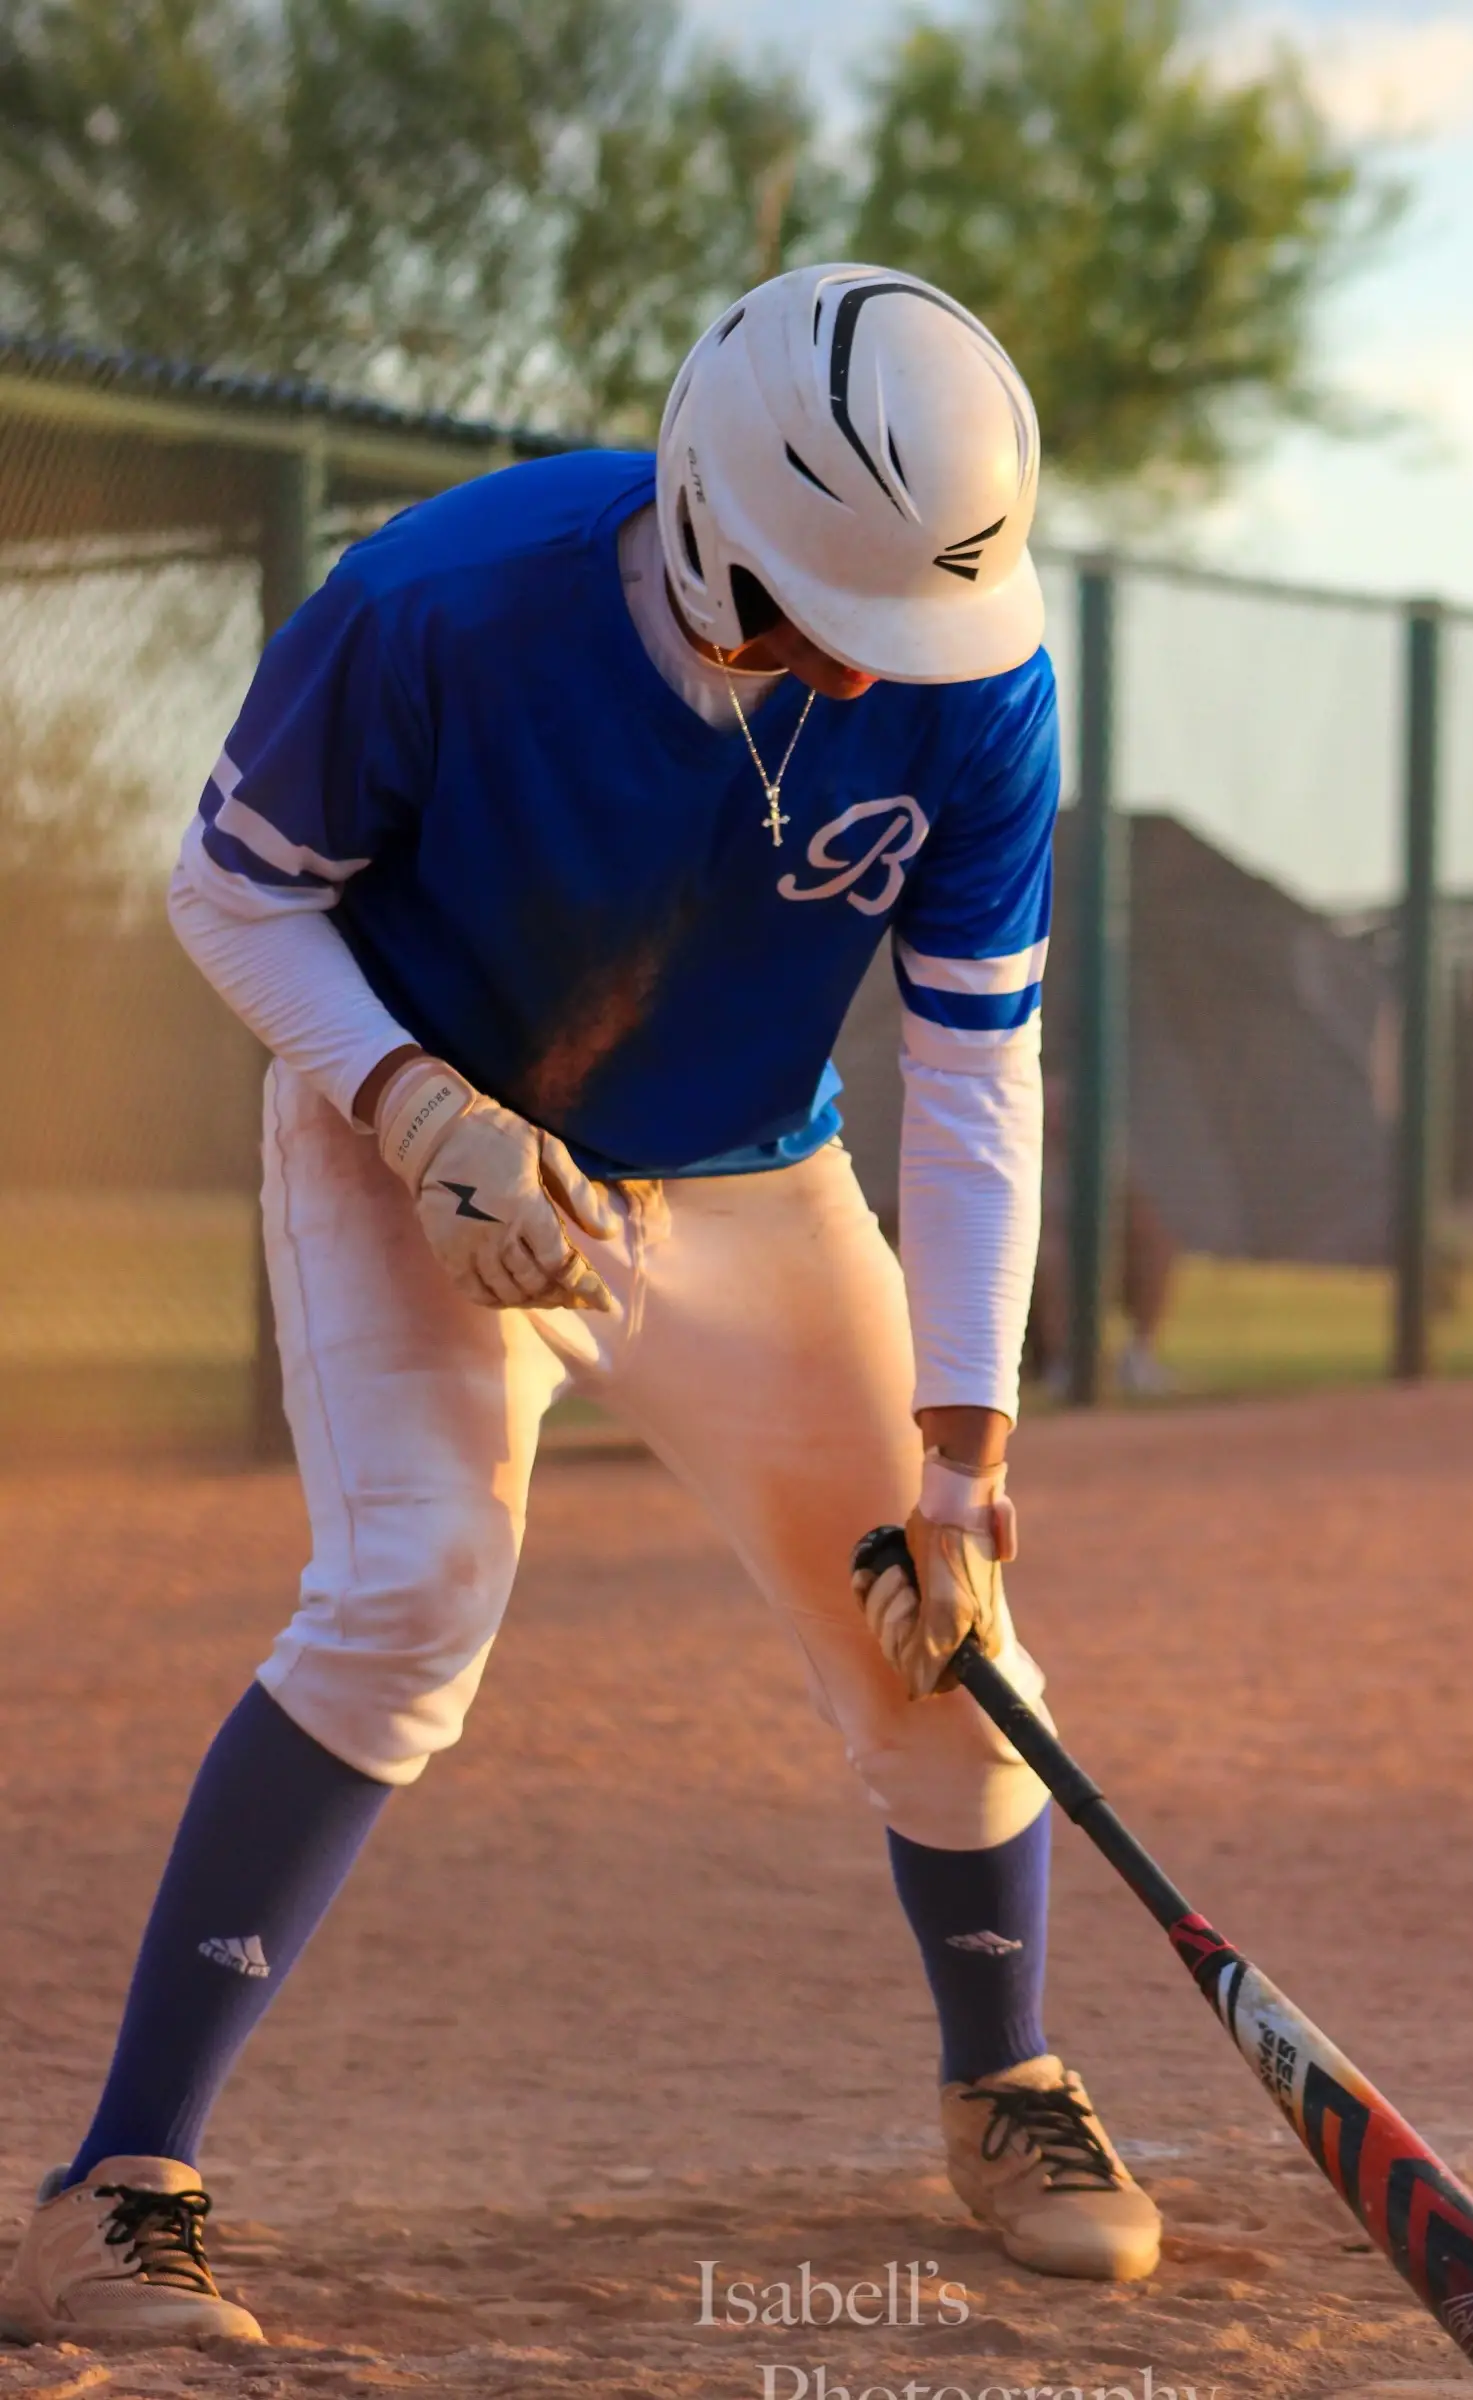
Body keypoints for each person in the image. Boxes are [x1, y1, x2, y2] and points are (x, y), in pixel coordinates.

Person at [0, 264, 1161, 2348]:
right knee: (408, 1593)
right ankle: (117, 2184)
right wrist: (411, 1106)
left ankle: (1006, 2085)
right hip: (413, 1142)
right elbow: (229, 892)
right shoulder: (439, 602)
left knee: (944, 1633)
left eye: (906, 631)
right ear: (711, 517)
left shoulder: (980, 684)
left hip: (748, 1176)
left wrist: (961, 1456)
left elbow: (980, 1066)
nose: (867, 671)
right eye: (824, 619)